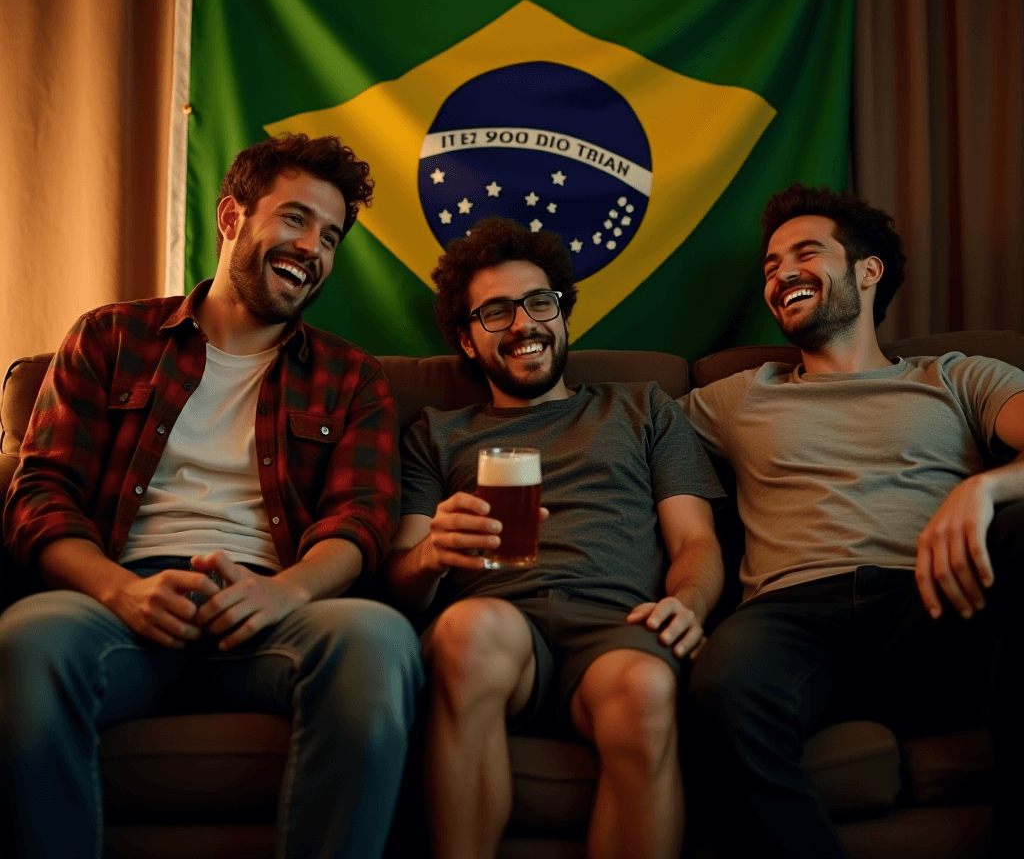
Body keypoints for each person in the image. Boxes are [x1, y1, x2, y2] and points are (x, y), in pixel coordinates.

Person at [0, 132, 423, 859]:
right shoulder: (109, 337)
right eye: (294, 219)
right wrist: (118, 592)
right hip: (119, 606)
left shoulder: (352, 377)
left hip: (272, 615)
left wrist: (284, 594)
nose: (312, 248)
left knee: (377, 640)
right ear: (232, 217)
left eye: (330, 236)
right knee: (27, 640)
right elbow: (41, 495)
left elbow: (362, 519)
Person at [683, 184, 1024, 858]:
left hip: (934, 604)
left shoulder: (955, 378)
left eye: (804, 253)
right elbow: (615, 430)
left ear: (868, 272)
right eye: (771, 267)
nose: (780, 275)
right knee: (720, 687)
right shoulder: (734, 397)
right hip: (791, 618)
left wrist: (986, 488)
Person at [386, 216, 724, 859]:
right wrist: (431, 554)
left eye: (538, 302)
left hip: (615, 621)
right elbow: (401, 582)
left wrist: (689, 604)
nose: (523, 324)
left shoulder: (644, 407)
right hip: (498, 624)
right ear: (465, 340)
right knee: (468, 632)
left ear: (562, 312)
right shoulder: (436, 432)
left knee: (647, 692)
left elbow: (696, 542)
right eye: (495, 313)